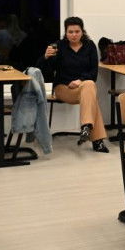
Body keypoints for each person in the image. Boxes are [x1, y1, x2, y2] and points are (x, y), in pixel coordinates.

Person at [38, 16, 109, 153]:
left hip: (82, 88)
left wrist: (79, 81)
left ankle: (86, 127)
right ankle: (96, 140)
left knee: (89, 85)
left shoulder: (90, 46)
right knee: (91, 95)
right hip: (62, 88)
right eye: (70, 32)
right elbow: (45, 72)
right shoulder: (59, 46)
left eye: (77, 31)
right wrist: (45, 57)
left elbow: (94, 73)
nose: (74, 35)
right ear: (66, 32)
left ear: (82, 31)